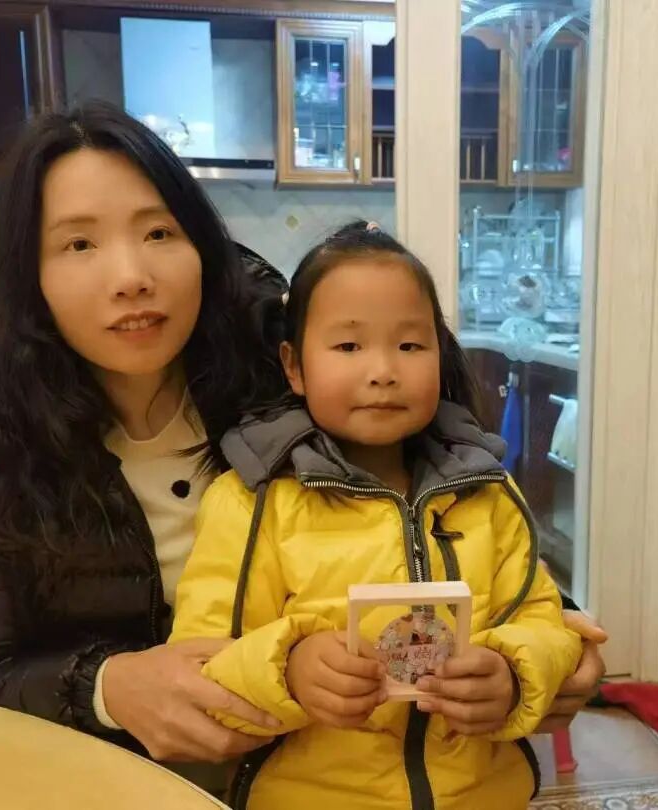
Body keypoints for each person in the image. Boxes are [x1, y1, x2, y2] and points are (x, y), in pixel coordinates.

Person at [0, 101, 603, 770]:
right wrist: (108, 687)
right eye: (79, 243)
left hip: (316, 767)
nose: (131, 278)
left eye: (158, 233)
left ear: (201, 246)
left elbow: (448, 502)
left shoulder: (292, 369)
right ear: (29, 276)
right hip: (119, 777)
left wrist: (548, 644)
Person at [170, 222, 584, 809]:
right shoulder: (251, 503)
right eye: (348, 347)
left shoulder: (488, 493)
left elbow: (543, 619)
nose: (384, 370)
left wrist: (515, 674)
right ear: (294, 365)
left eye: (410, 346)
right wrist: (288, 670)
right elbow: (199, 664)